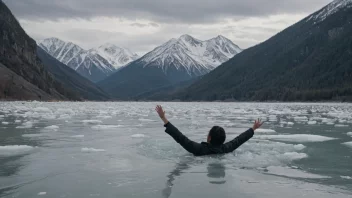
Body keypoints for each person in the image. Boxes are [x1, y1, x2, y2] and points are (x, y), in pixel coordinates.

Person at [155, 105, 264, 156]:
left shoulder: (198, 149)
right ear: (223, 139)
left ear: (209, 137)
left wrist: (163, 118)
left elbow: (180, 137)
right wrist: (253, 128)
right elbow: (239, 140)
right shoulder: (226, 149)